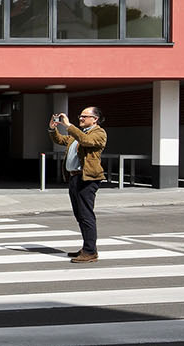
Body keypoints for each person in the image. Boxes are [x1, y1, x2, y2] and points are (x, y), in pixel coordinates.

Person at [49, 107, 106, 263]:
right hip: (75, 177)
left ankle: (90, 252)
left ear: (95, 119)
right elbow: (61, 140)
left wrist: (68, 126)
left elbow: (86, 141)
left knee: (86, 215)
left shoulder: (99, 133)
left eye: (84, 116)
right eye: (80, 116)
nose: (80, 118)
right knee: (80, 215)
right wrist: (53, 129)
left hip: (87, 179)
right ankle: (87, 247)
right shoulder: (79, 134)